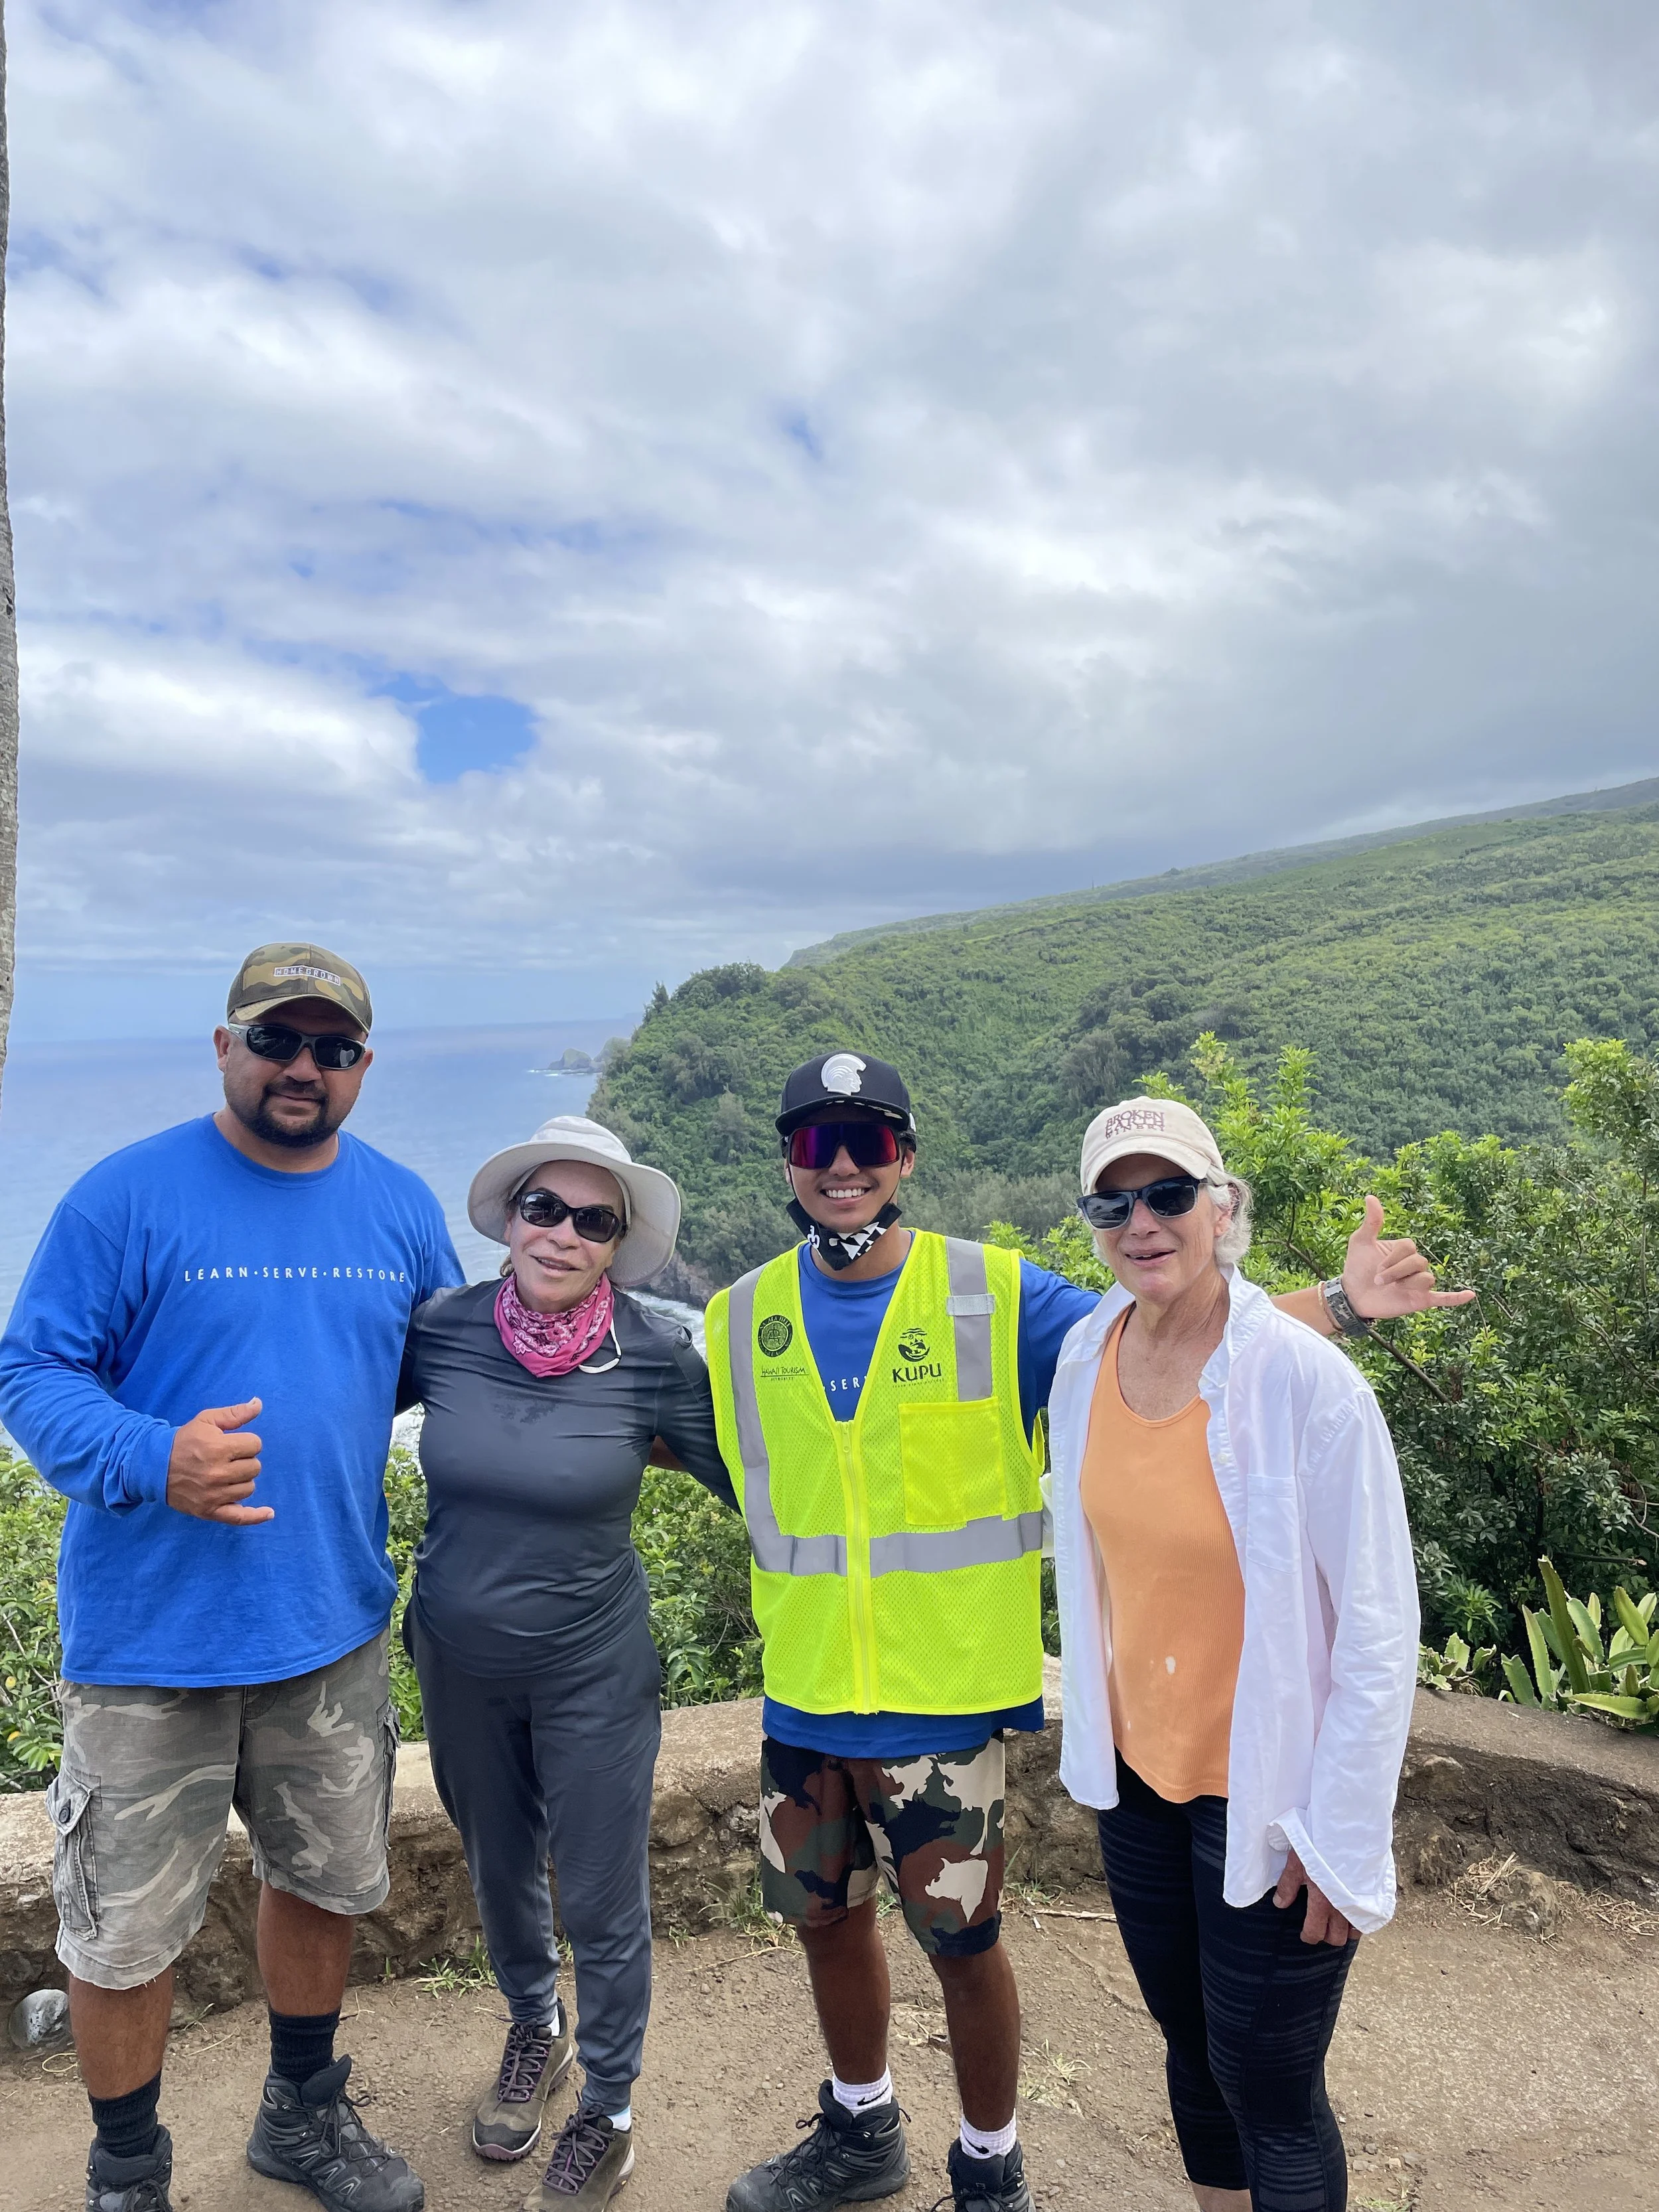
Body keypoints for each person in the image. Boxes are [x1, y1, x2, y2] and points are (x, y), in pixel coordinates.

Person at [703, 1052, 1457, 2212]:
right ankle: (861, 2129)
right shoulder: (735, 1316)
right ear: (787, 1163)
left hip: (952, 1699)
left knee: (1010, 1968)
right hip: (823, 1701)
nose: (842, 1166)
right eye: (816, 1143)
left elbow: (1198, 1330)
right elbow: (661, 1431)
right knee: (838, 1931)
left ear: (905, 1157)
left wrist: (1344, 1308)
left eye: (867, 1141)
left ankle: (991, 2159)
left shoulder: (997, 1298)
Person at [0, 944, 463, 2212]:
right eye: (278, 1040)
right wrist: (157, 1457)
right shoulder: (125, 1197)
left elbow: (447, 1372)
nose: (303, 1066)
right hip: (153, 1642)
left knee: (322, 1884)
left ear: (363, 1067)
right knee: (125, 1933)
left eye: (334, 1048)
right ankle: (128, 2175)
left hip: (330, 1625)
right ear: (224, 1048)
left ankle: (301, 2123)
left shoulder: (400, 1209)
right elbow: (31, 1375)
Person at [1047, 1096, 1439, 2212]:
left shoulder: (1306, 1385)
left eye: (1169, 1194)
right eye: (1113, 1203)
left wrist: (1340, 1830)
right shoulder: (1087, 1353)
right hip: (1138, 1780)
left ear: (1222, 1208)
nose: (1142, 1222)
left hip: (1270, 1795)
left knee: (1269, 2082)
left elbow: (1376, 1629)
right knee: (1188, 2044)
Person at [397, 1114, 737, 2211]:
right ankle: (533, 2030)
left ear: (616, 1242)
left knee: (601, 1894)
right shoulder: (439, 1329)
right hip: (457, 1657)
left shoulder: (652, 1356)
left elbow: (757, 1483)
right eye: (545, 1208)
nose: (563, 1234)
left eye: (594, 1220)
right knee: (499, 1864)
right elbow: (318, 1406)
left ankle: (611, 2111)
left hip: (594, 1667)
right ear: (509, 1216)